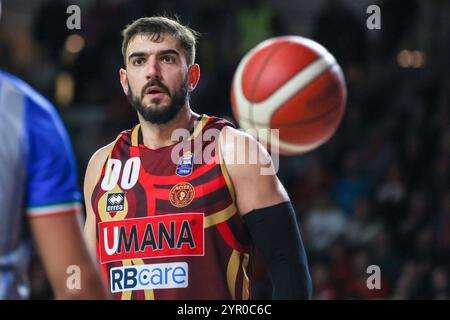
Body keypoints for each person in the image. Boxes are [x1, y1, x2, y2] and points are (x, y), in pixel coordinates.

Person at [84, 16, 312, 300]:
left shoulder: (235, 150)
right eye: (139, 61)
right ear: (124, 80)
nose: (152, 71)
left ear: (192, 77)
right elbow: (87, 281)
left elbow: (290, 270)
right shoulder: (102, 164)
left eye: (166, 59)